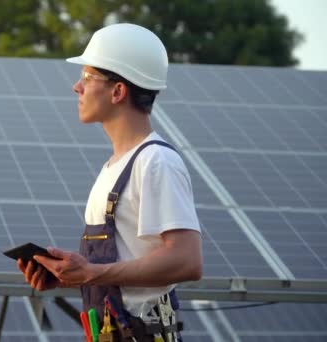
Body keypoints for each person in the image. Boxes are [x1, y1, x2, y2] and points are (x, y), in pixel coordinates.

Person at [17, 23, 202, 341]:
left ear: (118, 91)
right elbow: (125, 261)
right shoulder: (113, 167)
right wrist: (71, 276)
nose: (77, 87)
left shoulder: (156, 162)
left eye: (87, 78)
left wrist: (93, 273)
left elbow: (187, 260)